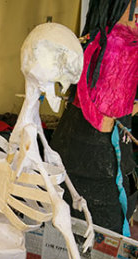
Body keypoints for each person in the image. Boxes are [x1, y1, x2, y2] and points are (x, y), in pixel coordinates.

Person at [50, 0, 138, 235]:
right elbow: (106, 114)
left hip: (74, 141)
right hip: (100, 151)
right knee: (100, 225)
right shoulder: (122, 44)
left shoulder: (95, 36)